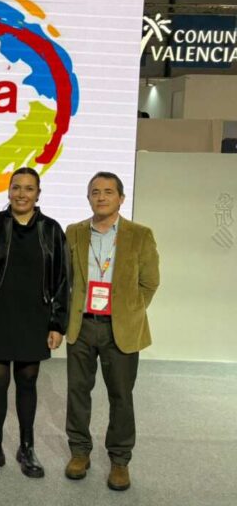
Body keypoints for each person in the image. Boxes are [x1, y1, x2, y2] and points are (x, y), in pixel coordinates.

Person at [0, 167, 69, 479]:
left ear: (38, 194)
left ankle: (27, 448)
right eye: (16, 187)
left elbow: (63, 281)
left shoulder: (52, 230)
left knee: (27, 382)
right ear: (8, 191)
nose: (22, 194)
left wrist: (57, 323)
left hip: (34, 318)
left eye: (29, 188)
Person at [64, 172, 160, 491]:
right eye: (95, 192)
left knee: (120, 395)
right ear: (88, 198)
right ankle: (80, 452)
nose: (101, 197)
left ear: (121, 198)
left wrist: (130, 312)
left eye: (108, 191)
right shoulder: (74, 232)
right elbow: (65, 279)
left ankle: (120, 459)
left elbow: (150, 282)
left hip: (120, 329)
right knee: (78, 392)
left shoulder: (139, 234)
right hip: (82, 325)